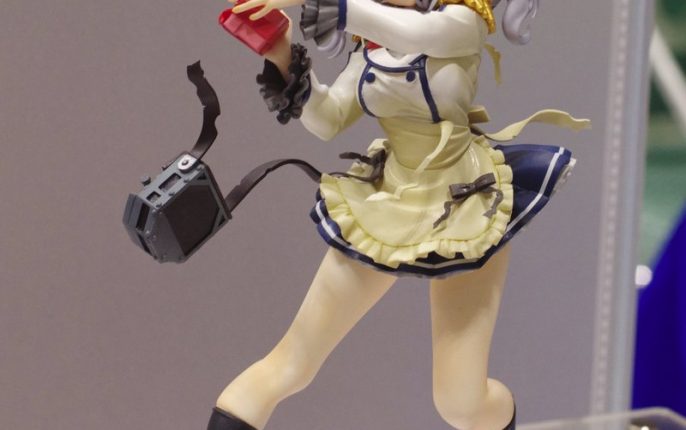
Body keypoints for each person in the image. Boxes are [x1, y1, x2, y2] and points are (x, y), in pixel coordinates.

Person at [208, 0, 588, 428]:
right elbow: (328, 119)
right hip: (387, 203)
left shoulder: (460, 22)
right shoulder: (370, 48)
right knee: (290, 364)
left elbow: (416, 34)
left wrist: (335, 5)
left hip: (466, 206)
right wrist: (280, 51)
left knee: (461, 402)